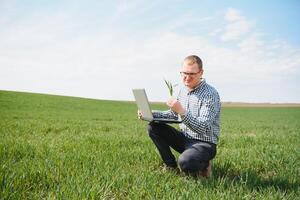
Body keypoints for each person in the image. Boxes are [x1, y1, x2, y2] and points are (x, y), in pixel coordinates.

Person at [138, 55, 221, 177]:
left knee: (186, 163)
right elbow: (173, 115)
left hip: (204, 144)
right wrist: (150, 114)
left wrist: (182, 111)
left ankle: (204, 164)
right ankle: (170, 166)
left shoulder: (210, 94)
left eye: (192, 74)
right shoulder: (182, 91)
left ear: (201, 73)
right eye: (184, 73)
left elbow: (202, 127)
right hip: (184, 138)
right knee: (153, 127)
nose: (187, 77)